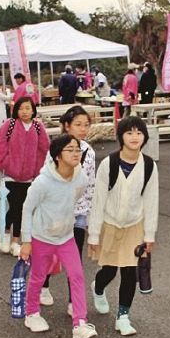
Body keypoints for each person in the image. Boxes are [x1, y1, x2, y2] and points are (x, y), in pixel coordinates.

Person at [19, 134, 97, 338]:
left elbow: (75, 198)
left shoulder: (80, 178)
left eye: (77, 150)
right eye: (70, 150)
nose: (75, 154)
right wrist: (26, 241)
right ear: (57, 156)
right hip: (41, 237)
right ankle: (32, 313)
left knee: (77, 275)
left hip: (66, 236)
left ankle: (80, 323)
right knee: (38, 276)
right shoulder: (42, 182)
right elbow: (27, 209)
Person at [88, 116, 159, 336]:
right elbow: (98, 201)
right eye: (129, 132)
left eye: (139, 133)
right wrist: (93, 234)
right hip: (109, 224)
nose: (134, 137)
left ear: (144, 137)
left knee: (130, 273)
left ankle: (123, 316)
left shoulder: (149, 166)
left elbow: (151, 201)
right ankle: (98, 288)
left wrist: (149, 234)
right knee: (109, 270)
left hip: (134, 226)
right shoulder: (109, 164)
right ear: (121, 137)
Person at [40, 106, 96, 314]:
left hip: (79, 211)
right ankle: (43, 286)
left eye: (86, 125)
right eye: (78, 125)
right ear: (67, 125)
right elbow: (46, 178)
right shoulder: (54, 149)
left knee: (74, 259)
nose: (83, 129)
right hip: (56, 212)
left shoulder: (89, 152)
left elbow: (91, 184)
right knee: (51, 252)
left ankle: (74, 302)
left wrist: (89, 212)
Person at [0, 97, 50, 256]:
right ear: (16, 109)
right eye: (21, 108)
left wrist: (39, 170)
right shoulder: (9, 124)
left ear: (33, 110)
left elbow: (45, 149)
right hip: (11, 175)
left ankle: (15, 240)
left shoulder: (38, 127)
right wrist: (4, 164)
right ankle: (6, 233)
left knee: (23, 208)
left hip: (30, 176)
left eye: (28, 108)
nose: (24, 111)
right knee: (15, 206)